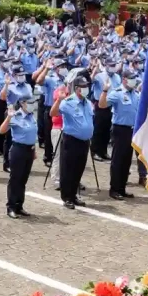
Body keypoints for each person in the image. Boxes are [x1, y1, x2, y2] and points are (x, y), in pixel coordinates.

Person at [50, 75, 93, 209]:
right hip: (71, 140)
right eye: (84, 87)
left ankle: (74, 195)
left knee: (78, 169)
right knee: (68, 170)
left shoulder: (88, 103)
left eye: (87, 86)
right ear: (77, 88)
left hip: (84, 141)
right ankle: (67, 197)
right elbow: (53, 113)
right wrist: (59, 100)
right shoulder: (68, 102)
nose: (87, 89)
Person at [0, 94, 38, 219]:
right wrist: (9, 118)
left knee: (23, 180)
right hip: (18, 150)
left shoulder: (32, 116)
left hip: (29, 150)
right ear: (22, 103)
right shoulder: (16, 116)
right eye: (30, 102)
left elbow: (32, 134)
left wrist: (34, 150)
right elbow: (2, 130)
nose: (33, 105)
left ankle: (19, 205)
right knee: (15, 179)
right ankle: (11, 206)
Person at [106, 69, 141, 200]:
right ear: (124, 79)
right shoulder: (117, 93)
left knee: (127, 161)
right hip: (120, 129)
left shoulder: (136, 94)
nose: (133, 81)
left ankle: (122, 188)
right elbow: (103, 104)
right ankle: (114, 189)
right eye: (131, 78)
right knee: (118, 160)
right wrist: (104, 91)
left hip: (132, 130)